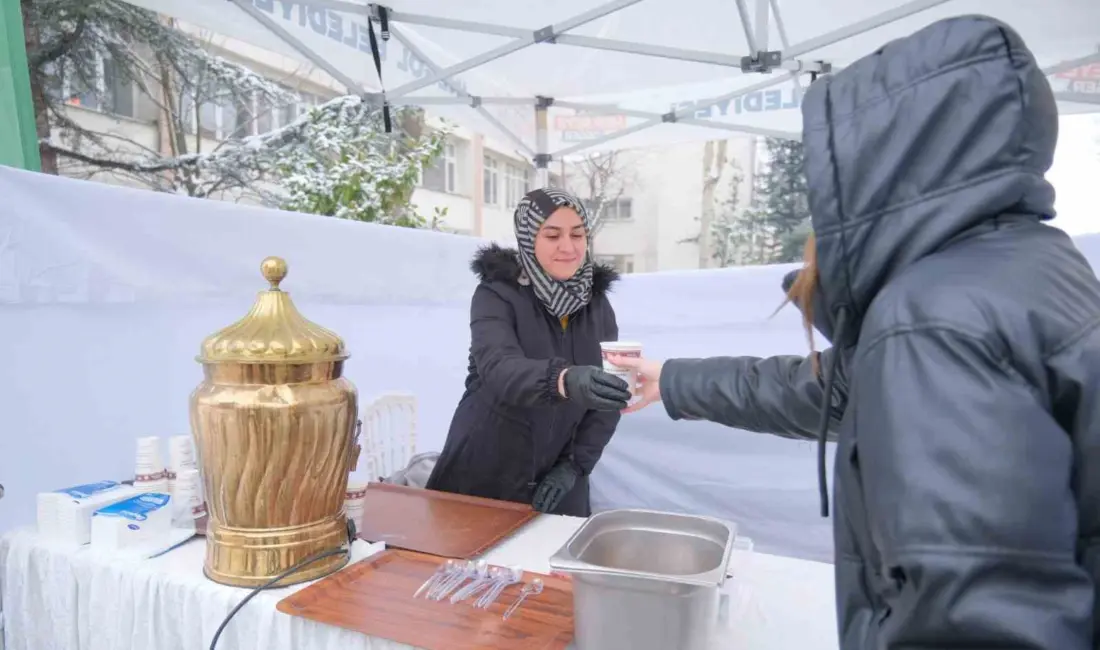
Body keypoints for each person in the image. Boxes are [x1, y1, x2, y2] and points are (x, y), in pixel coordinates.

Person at [611, 15, 1100, 650]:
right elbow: (835, 390)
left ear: (882, 163)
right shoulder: (1032, 265)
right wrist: (673, 380)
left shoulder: (933, 316)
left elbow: (975, 624)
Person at [426, 187, 631, 517]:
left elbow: (610, 396)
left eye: (577, 234)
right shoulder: (497, 294)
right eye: (552, 235)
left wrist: (576, 465)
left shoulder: (598, 305)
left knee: (556, 564)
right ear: (528, 238)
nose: (568, 246)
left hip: (559, 480)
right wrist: (563, 379)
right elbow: (499, 367)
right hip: (486, 470)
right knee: (471, 565)